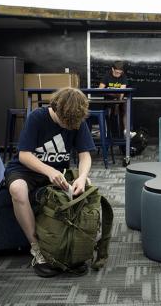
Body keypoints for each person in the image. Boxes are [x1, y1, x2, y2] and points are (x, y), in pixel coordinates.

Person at [5, 87, 96, 277]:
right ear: (56, 109)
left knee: (86, 182)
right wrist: (48, 171)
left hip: (58, 173)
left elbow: (85, 155)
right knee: (17, 189)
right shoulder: (37, 118)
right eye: (65, 123)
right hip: (27, 171)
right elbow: (24, 155)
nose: (69, 127)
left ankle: (76, 242)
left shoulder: (76, 120)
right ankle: (37, 250)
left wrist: (80, 176)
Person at [99, 60, 136, 138]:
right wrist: (110, 93)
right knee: (108, 110)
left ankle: (126, 131)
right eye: (116, 72)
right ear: (112, 69)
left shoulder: (123, 76)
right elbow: (100, 89)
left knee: (125, 105)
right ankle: (106, 132)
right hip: (108, 100)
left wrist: (118, 102)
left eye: (120, 73)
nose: (118, 75)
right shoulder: (107, 76)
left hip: (119, 98)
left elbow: (122, 91)